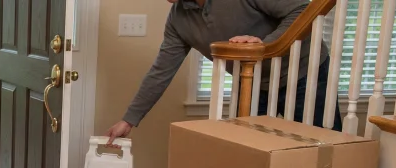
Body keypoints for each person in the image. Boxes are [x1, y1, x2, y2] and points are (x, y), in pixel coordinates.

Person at [107, 0, 343, 144]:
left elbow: (302, 11)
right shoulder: (178, 20)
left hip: (305, 73)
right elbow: (161, 71)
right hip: (251, 82)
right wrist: (129, 120)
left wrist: (264, 45)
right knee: (247, 153)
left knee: (321, 151)